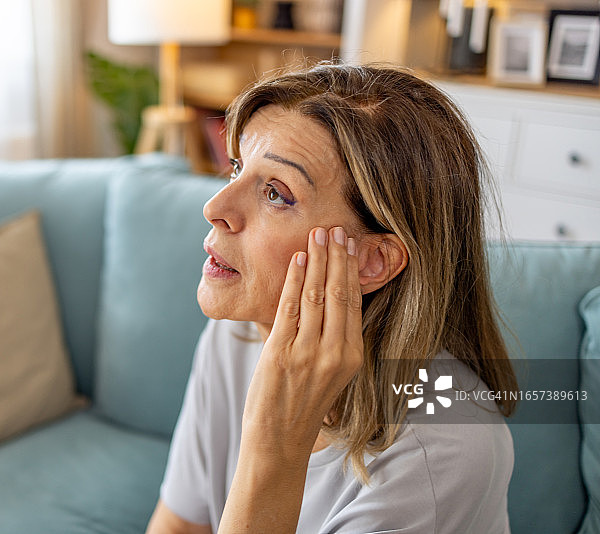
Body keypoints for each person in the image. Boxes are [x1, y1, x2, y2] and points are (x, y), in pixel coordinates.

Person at [145, 62, 519, 534]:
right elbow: (179, 524)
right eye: (238, 166)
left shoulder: (439, 456)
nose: (215, 207)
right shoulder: (241, 330)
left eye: (276, 194)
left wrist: (275, 446)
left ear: (371, 262)